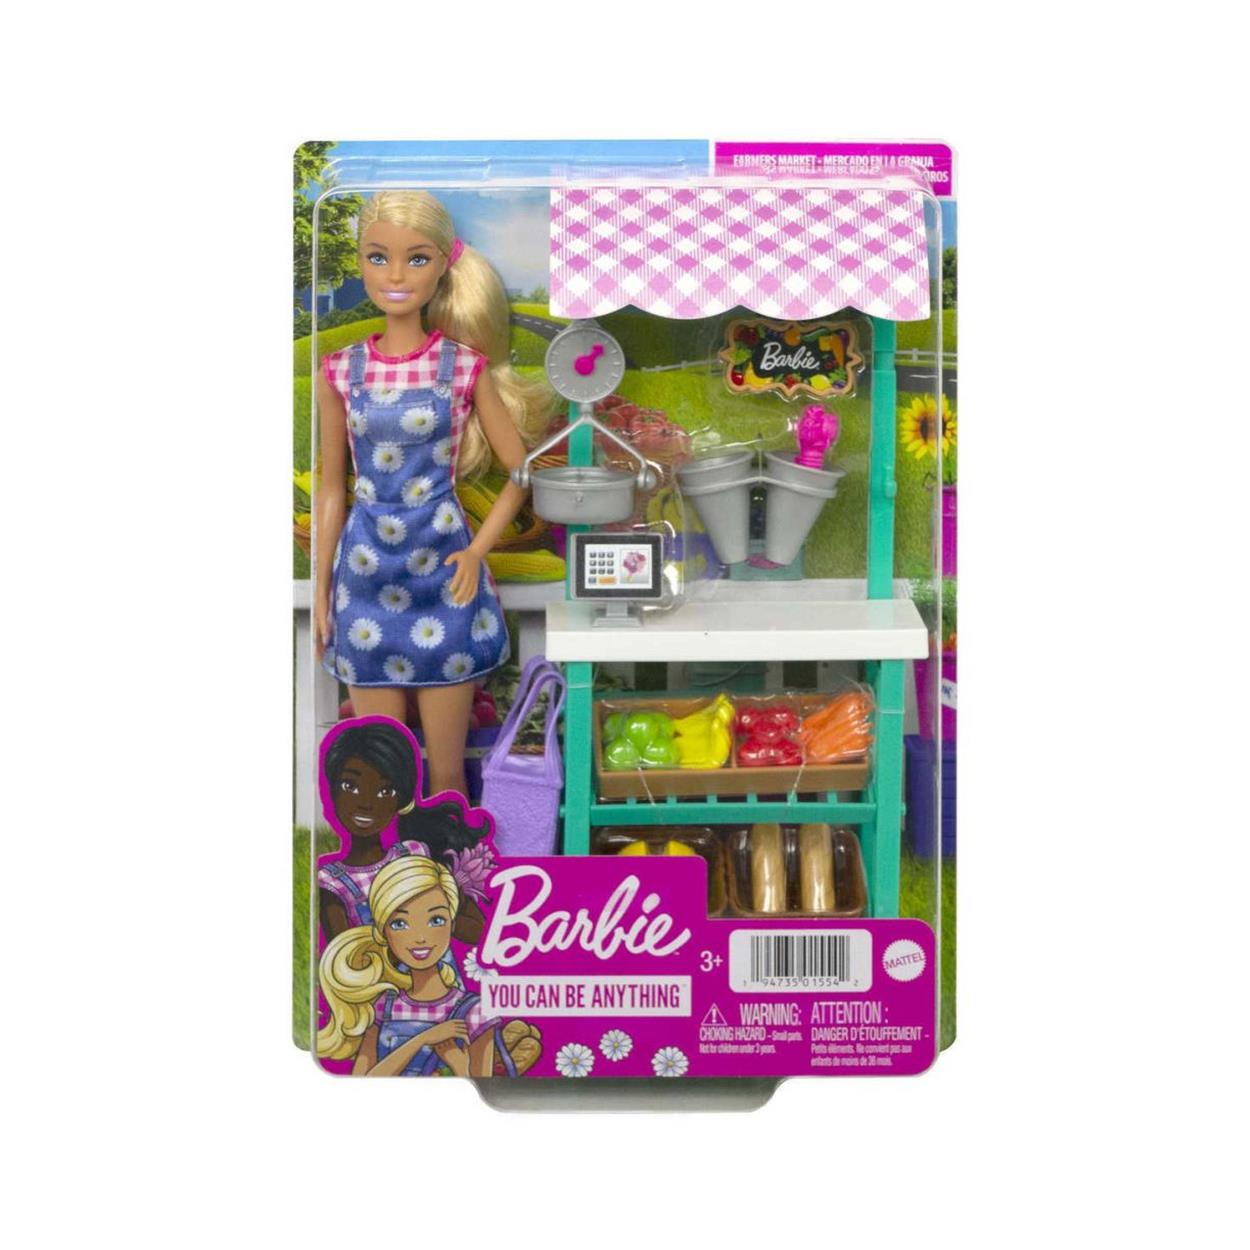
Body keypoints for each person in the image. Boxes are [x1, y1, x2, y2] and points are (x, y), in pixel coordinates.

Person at [316, 190, 553, 798]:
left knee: (446, 770)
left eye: (416, 259)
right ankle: (387, 861)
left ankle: (454, 855)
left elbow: (520, 472)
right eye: (378, 257)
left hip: (444, 573)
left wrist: (476, 551)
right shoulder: (339, 371)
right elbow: (332, 488)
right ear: (360, 262)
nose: (395, 276)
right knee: (382, 770)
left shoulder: (462, 366)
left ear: (444, 264)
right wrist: (321, 593)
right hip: (365, 575)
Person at [317, 855, 541, 1077]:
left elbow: (481, 1086)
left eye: (436, 920)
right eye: (399, 923)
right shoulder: (385, 1005)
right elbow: (361, 1082)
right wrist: (422, 1039)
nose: (420, 937)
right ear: (383, 933)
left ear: (452, 924)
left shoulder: (474, 1011)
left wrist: (456, 1061)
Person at [317, 718, 492, 946]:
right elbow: (341, 956)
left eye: (385, 791)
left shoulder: (415, 853)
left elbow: (478, 930)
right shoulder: (335, 883)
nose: (366, 804)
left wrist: (438, 920)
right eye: (349, 786)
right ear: (331, 789)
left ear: (401, 800)